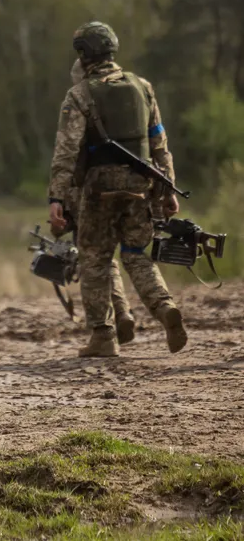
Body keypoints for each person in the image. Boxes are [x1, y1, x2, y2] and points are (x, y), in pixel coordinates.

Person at [48, 22, 187, 358]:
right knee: (137, 255)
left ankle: (103, 336)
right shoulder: (143, 87)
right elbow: (159, 143)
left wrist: (57, 196)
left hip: (99, 187)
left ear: (83, 54)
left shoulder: (79, 94)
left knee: (95, 257)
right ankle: (164, 306)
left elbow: (66, 152)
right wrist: (168, 187)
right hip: (142, 182)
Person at [57, 57, 136, 344]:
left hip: (88, 194)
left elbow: (67, 158)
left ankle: (106, 328)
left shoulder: (78, 105)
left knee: (94, 259)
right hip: (121, 189)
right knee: (108, 258)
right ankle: (123, 310)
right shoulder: (118, 111)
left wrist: (58, 200)